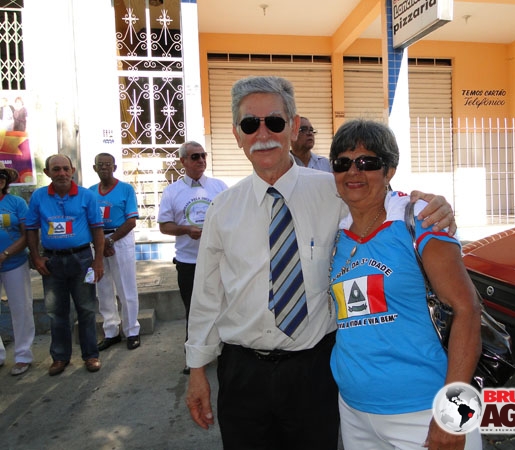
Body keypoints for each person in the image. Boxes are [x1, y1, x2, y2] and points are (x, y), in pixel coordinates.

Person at [184, 75, 456, 450]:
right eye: (250, 124)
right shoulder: (222, 208)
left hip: (314, 372)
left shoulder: (334, 191)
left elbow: (386, 201)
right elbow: (207, 296)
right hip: (242, 373)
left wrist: (433, 205)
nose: (263, 134)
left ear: (293, 126)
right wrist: (197, 370)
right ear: (236, 134)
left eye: (274, 122)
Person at [328, 119, 482, 450]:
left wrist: (453, 413)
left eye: (367, 162)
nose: (353, 172)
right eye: (342, 163)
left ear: (389, 170)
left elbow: (467, 310)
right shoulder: (337, 233)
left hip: (423, 410)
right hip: (354, 410)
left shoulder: (418, 219)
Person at [25, 154, 105, 376]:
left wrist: (98, 260)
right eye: (56, 169)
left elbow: (97, 229)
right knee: (56, 311)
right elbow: (31, 229)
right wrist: (36, 257)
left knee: (86, 309)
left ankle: (91, 355)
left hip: (82, 259)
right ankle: (60, 357)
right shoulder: (39, 196)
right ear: (47, 172)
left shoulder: (87, 196)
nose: (61, 173)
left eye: (65, 168)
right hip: (52, 262)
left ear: (72, 170)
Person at [157, 141, 228, 374]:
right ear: (183, 161)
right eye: (195, 156)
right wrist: (186, 230)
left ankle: (224, 351)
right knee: (194, 310)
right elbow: (164, 226)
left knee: (221, 306)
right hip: (188, 262)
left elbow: (230, 218)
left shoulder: (219, 187)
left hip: (218, 260)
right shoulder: (172, 191)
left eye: (203, 155)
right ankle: (195, 357)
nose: (201, 160)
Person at [90, 153, 141, 351]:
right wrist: (100, 243)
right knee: (103, 288)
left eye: (108, 164)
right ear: (94, 168)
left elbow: (131, 221)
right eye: (100, 165)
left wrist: (110, 241)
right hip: (97, 240)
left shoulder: (126, 189)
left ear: (115, 167)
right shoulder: (90, 192)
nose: (104, 168)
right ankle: (111, 331)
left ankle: (132, 330)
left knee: (126, 288)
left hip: (120, 239)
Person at [0, 162, 35, 376]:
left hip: (15, 263)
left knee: (21, 308)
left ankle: (23, 356)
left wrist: (5, 254)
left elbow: (27, 234)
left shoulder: (16, 202)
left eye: (1, 177)